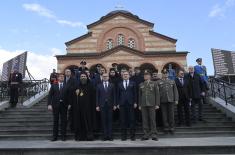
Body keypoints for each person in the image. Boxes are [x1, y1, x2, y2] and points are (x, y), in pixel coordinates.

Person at [47, 74, 71, 141]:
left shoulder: (67, 86)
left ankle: (63, 136)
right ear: (58, 78)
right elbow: (50, 95)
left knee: (64, 121)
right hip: (55, 105)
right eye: (60, 77)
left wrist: (69, 104)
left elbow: (69, 96)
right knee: (55, 121)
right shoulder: (54, 85)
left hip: (64, 106)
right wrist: (49, 104)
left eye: (63, 77)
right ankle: (55, 137)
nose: (62, 78)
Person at [73, 72, 96, 141]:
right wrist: (75, 94)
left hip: (89, 108)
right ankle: (80, 137)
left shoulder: (91, 85)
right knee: (80, 122)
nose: (83, 77)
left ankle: (89, 136)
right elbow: (73, 97)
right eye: (82, 76)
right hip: (79, 109)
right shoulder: (77, 86)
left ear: (87, 77)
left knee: (88, 122)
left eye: (84, 76)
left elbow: (93, 97)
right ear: (80, 78)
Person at [139, 70, 160, 141]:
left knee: (152, 119)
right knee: (145, 120)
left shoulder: (154, 83)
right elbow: (139, 96)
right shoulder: (141, 84)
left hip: (152, 104)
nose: (145, 76)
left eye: (147, 75)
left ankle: (154, 134)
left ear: (150, 76)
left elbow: (157, 94)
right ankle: (146, 134)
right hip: (143, 104)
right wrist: (139, 105)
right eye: (144, 75)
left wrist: (157, 104)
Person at [117, 71, 137, 141]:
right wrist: (117, 103)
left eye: (126, 74)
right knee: (123, 120)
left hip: (131, 103)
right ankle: (123, 136)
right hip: (122, 104)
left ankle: (132, 136)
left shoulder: (133, 83)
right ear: (122, 76)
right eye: (124, 74)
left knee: (132, 120)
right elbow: (118, 95)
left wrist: (135, 102)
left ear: (129, 75)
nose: (125, 75)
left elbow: (135, 93)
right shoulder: (119, 84)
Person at [96, 73, 116, 141]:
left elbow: (114, 95)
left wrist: (114, 104)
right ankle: (104, 136)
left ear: (108, 77)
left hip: (110, 105)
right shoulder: (99, 85)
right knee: (103, 121)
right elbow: (97, 96)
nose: (105, 77)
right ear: (102, 77)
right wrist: (97, 105)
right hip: (102, 105)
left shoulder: (112, 85)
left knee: (110, 121)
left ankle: (110, 136)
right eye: (104, 76)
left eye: (106, 76)